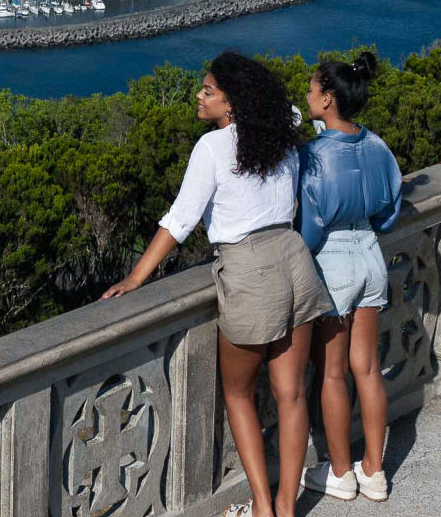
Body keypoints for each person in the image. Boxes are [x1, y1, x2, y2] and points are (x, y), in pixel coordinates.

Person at [103, 51, 331, 517]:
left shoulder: (212, 148)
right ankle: (286, 508)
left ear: (232, 103)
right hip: (295, 260)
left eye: (208, 91)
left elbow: (180, 219)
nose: (198, 95)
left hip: (250, 270)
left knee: (238, 393)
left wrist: (136, 277)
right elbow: (289, 110)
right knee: (291, 395)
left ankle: (263, 506)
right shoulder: (278, 133)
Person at [296, 51, 404, 504]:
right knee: (368, 367)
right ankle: (375, 471)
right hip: (371, 255)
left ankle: (340, 472)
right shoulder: (377, 145)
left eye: (311, 88)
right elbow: (390, 211)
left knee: (333, 374)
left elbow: (310, 228)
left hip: (333, 261)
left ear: (327, 99)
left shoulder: (314, 155)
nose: (306, 94)